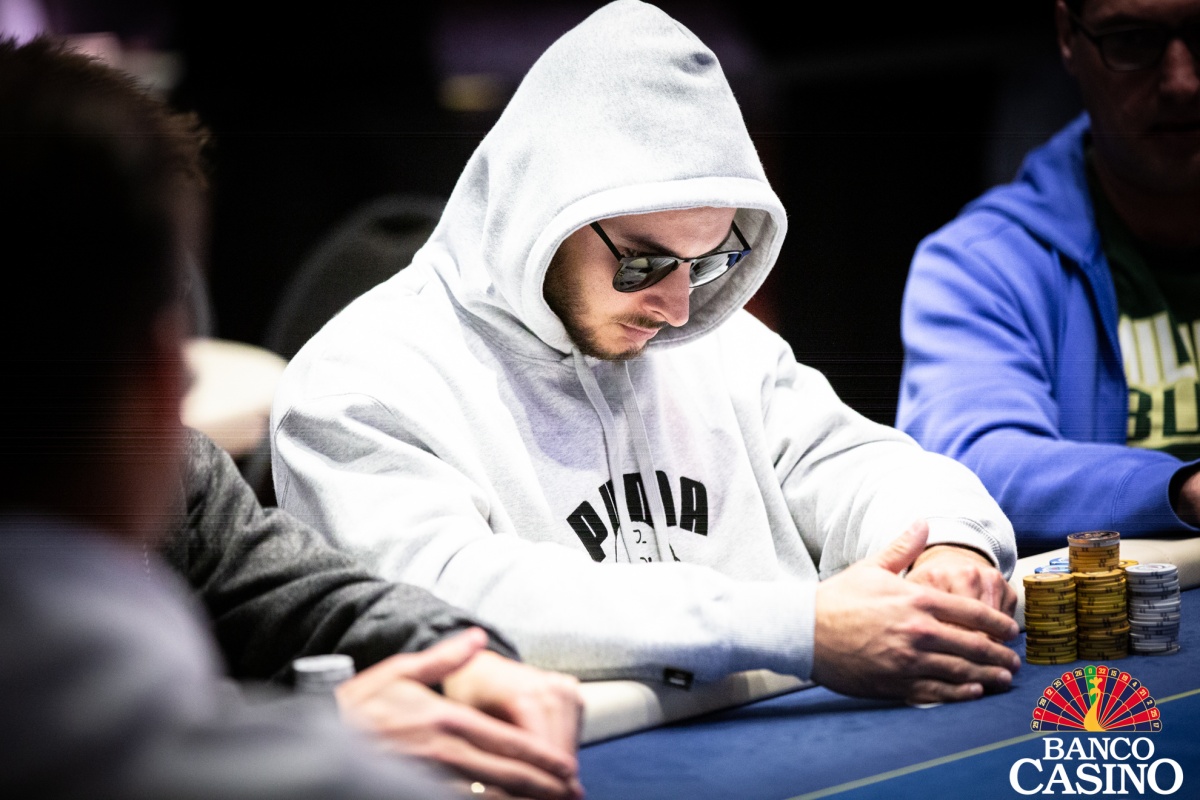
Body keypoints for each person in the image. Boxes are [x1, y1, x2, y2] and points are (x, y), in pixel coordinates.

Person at [271, 0, 1022, 706]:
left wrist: (947, 548)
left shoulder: (717, 343)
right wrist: (799, 628)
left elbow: (854, 463)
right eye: (642, 262)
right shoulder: (354, 387)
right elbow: (454, 592)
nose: (679, 308)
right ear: (541, 209)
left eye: (710, 261)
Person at [0, 34, 573, 800]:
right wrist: (313, 722)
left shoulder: (185, 475)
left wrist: (461, 657)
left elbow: (309, 594)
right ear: (161, 365)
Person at [896, 0, 1200, 552]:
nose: (1182, 83)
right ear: (1068, 37)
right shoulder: (980, 262)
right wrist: (1183, 490)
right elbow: (969, 464)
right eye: (1132, 39)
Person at [172, 429, 584, 800]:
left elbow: (297, 592)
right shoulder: (345, 405)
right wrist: (314, 728)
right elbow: (136, 746)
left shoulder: (178, 460)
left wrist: (458, 658)